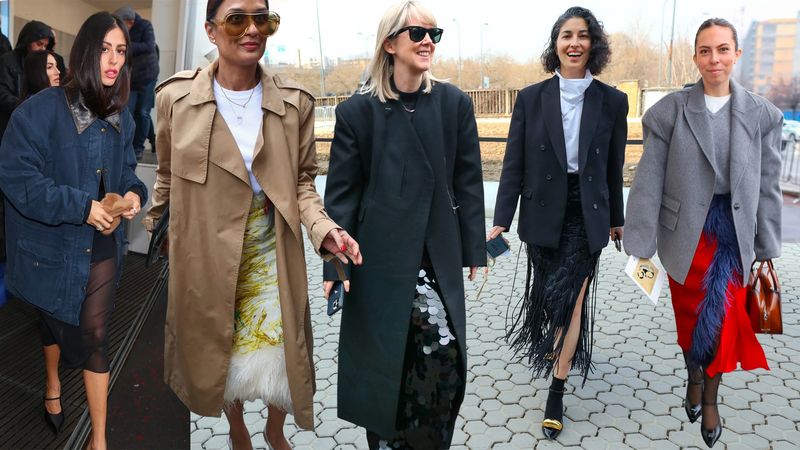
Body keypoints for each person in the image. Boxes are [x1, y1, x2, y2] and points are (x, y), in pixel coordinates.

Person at [144, 1, 361, 448]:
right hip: (207, 254)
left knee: (281, 351)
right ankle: (236, 425)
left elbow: (303, 183)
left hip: (271, 251)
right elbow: (166, 176)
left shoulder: (295, 103)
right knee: (224, 349)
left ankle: (275, 428)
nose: (252, 29)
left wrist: (324, 229)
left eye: (262, 19)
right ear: (210, 30)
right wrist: (158, 229)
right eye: (237, 19)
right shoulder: (174, 99)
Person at [322, 1, 485, 448]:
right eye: (417, 33)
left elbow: (468, 180)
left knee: (443, 360)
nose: (428, 41)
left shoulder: (453, 104)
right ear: (390, 44)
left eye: (434, 34)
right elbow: (342, 196)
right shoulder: (358, 112)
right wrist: (335, 265)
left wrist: (475, 249)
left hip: (436, 257)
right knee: (385, 367)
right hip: (377, 262)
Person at [625, 18, 782, 448]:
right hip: (686, 238)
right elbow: (648, 181)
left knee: (724, 323)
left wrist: (766, 247)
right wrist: (640, 245)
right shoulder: (669, 113)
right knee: (691, 320)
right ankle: (693, 375)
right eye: (706, 51)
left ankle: (710, 399)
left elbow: (769, 185)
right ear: (695, 57)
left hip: (734, 238)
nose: (715, 59)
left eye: (723, 49)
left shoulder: (762, 115)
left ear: (737, 54)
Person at [0, 12, 146, 450]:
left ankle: (98, 441)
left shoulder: (122, 116)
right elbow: (18, 179)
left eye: (121, 51)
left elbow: (128, 173)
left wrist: (134, 194)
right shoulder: (39, 111)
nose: (114, 60)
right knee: (53, 316)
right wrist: (81, 207)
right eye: (104, 49)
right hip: (51, 245)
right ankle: (52, 383)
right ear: (84, 51)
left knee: (95, 335)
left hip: (101, 243)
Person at [489, 6, 628, 440]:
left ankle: (557, 387)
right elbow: (513, 164)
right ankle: (558, 346)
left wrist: (617, 220)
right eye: (566, 35)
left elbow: (614, 168)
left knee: (572, 299)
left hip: (587, 213)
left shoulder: (613, 101)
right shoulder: (531, 98)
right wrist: (500, 221)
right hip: (542, 210)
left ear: (593, 45)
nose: (574, 43)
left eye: (583, 35)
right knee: (551, 297)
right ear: (555, 44)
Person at [114, 6, 159, 159]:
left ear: (130, 22)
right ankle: (128, 145)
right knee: (129, 111)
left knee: (143, 112)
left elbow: (149, 46)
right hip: (131, 79)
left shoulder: (145, 26)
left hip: (148, 77)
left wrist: (126, 47)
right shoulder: (121, 31)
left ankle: (138, 148)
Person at [0, 20, 54, 139]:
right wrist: (27, 107)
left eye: (45, 46)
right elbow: (2, 94)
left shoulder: (40, 65)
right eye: (39, 44)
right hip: (8, 127)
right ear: (27, 42)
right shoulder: (7, 61)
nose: (43, 49)